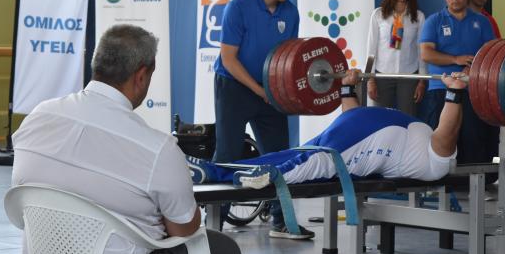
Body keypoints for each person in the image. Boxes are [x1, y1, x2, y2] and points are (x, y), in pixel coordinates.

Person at [11, 25, 242, 254]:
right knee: (223, 252)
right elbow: (184, 229)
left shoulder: (39, 117)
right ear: (141, 76)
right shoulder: (157, 149)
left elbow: (23, 197)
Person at [187, 70, 466, 186]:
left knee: (314, 160)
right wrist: (346, 85)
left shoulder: (436, 164)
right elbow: (354, 116)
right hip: (357, 126)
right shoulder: (433, 149)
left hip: (368, 141)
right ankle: (215, 170)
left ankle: (230, 173)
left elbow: (447, 133)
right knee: (301, 153)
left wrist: (454, 94)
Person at [212, 0, 308, 239]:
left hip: (270, 90)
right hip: (234, 86)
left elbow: (287, 57)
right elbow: (228, 59)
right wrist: (258, 90)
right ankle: (212, 225)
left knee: (280, 156)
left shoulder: (290, 13)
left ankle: (281, 221)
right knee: (228, 154)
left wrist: (282, 91)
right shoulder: (239, 7)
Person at [418, 0, 497, 165]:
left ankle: (473, 186)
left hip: (472, 89)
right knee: (441, 138)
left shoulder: (482, 22)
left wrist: (471, 67)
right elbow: (426, 54)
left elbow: (490, 53)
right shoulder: (433, 21)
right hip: (439, 88)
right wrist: (455, 59)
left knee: (473, 137)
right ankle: (440, 185)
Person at [365, 0, 426, 116]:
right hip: (381, 75)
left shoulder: (418, 17)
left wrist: (421, 81)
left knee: (408, 119)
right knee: (380, 121)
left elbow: (421, 51)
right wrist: (370, 79)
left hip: (409, 76)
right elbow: (371, 49)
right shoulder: (378, 15)